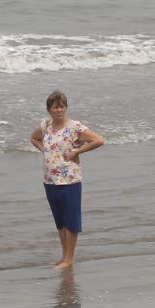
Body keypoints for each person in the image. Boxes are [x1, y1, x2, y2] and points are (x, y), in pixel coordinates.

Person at [29, 90, 105, 269]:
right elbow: (34, 138)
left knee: (71, 221)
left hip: (70, 180)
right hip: (50, 180)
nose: (59, 110)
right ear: (49, 110)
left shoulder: (74, 127)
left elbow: (99, 140)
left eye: (62, 106)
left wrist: (77, 151)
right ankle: (64, 257)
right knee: (60, 221)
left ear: (66, 108)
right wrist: (44, 150)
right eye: (55, 107)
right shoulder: (45, 125)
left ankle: (70, 258)